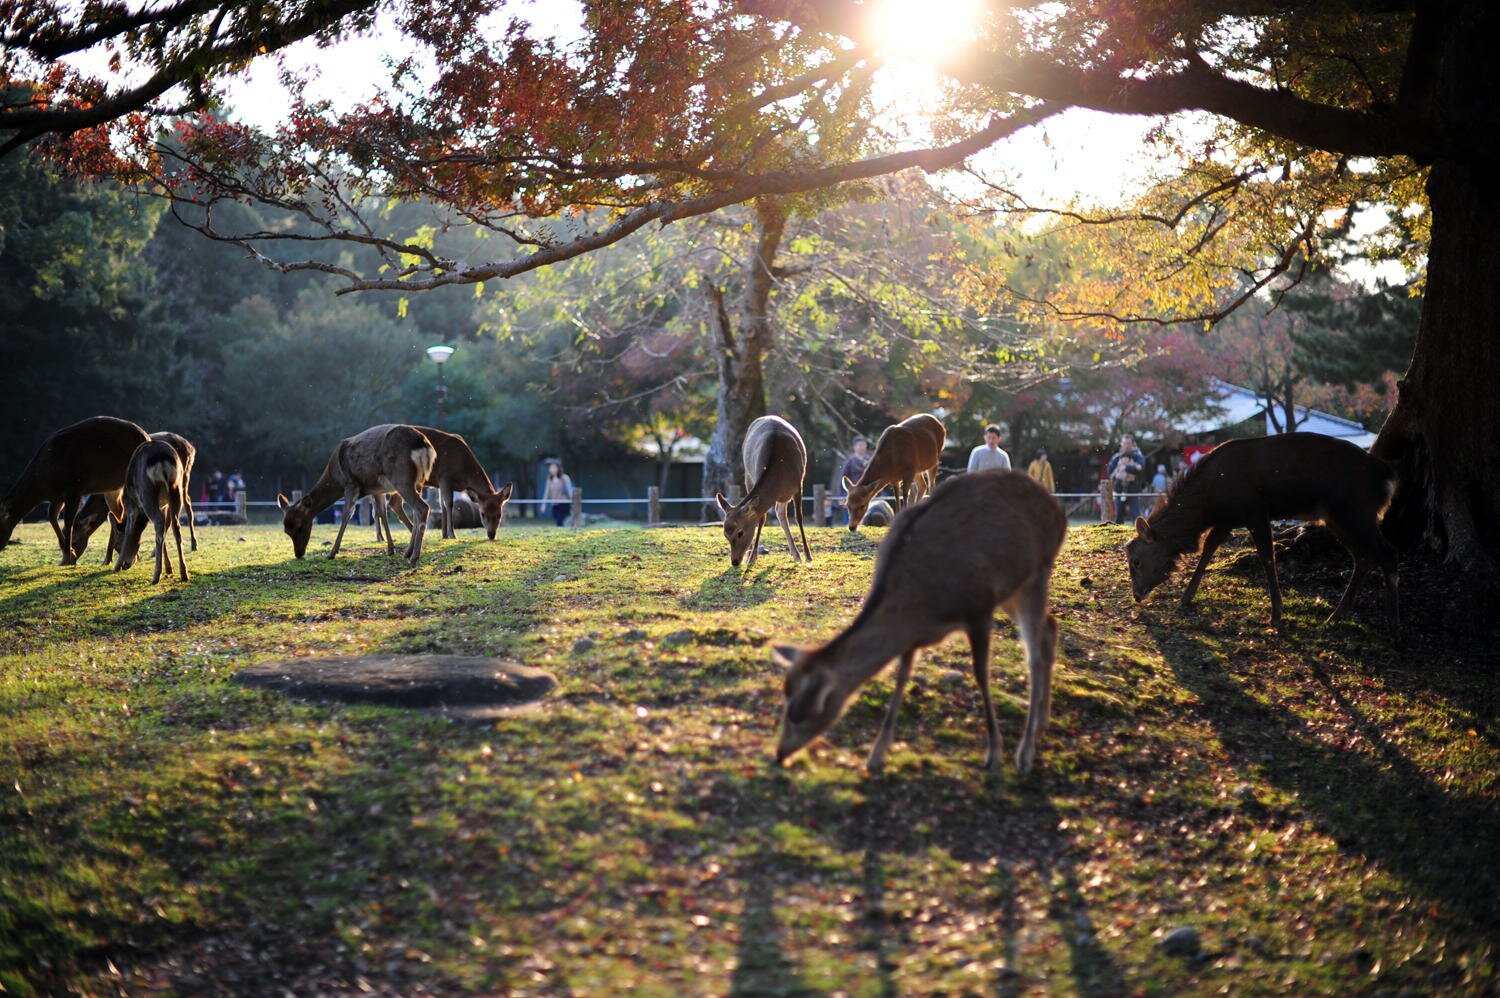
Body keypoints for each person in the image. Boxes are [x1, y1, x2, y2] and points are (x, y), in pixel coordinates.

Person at [1106, 433, 1146, 523]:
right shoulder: (1116, 457)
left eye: (1128, 443)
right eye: (1124, 443)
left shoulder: (1138, 456)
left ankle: (1139, 535)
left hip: (1133, 489)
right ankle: (1119, 536)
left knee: (1136, 515)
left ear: (1132, 444)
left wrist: (1126, 468)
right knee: (1118, 516)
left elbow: (1141, 468)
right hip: (1119, 488)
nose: (1126, 445)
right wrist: (1119, 473)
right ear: (1121, 444)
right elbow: (1109, 471)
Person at [835, 436, 870, 526]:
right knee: (850, 515)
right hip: (852, 493)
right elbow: (843, 479)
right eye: (859, 445)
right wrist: (842, 496)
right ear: (854, 447)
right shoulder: (850, 461)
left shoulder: (870, 460)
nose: (862, 447)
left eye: (863, 445)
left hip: (867, 493)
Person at [541, 462, 573, 527]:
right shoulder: (549, 479)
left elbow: (570, 489)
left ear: (558, 468)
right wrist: (543, 504)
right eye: (550, 468)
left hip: (563, 503)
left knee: (560, 521)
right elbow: (547, 492)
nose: (551, 469)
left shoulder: (564, 477)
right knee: (557, 520)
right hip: (554, 504)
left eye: (553, 467)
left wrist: (573, 500)